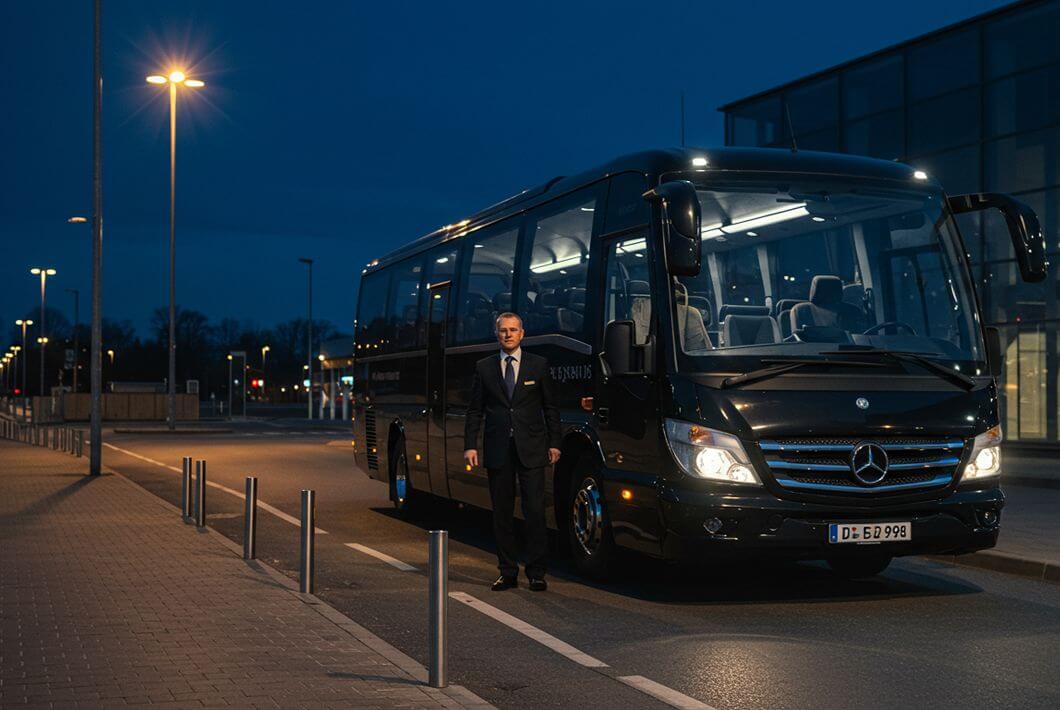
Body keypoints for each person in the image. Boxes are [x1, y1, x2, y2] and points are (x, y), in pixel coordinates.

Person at [464, 312, 561, 592]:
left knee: (535, 512)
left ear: (522, 333)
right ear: (497, 334)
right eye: (503, 330)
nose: (508, 334)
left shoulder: (538, 365)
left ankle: (536, 573)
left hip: (532, 449)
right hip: (498, 450)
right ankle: (507, 572)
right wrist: (470, 445)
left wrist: (555, 443)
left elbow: (550, 408)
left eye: (513, 330)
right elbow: (475, 410)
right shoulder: (484, 367)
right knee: (502, 514)